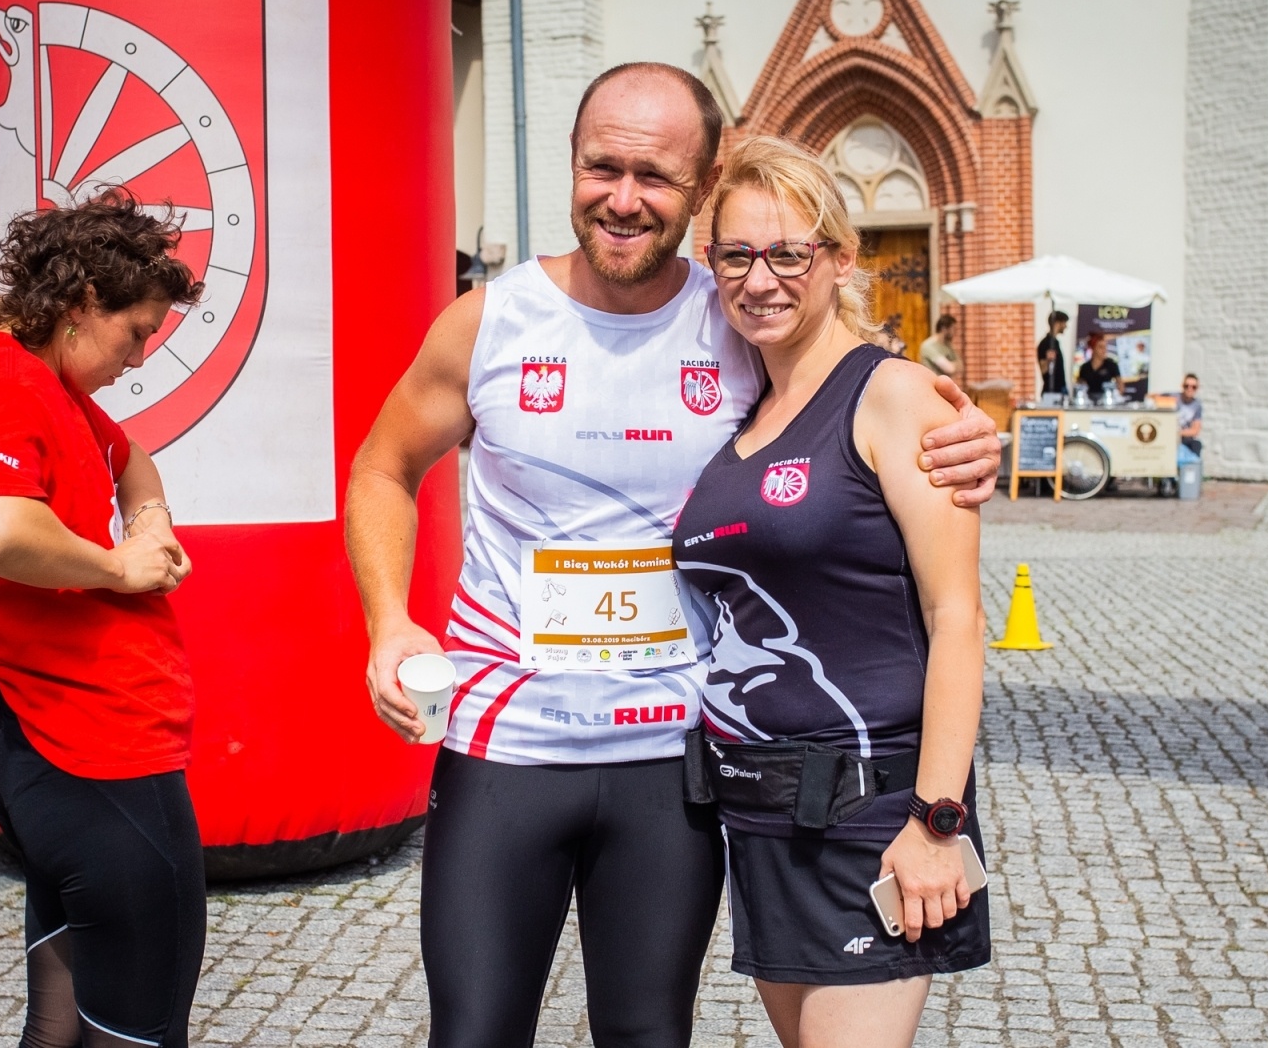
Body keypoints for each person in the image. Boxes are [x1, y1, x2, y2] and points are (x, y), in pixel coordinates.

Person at [344, 63, 1002, 1048]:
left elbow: (847, 396)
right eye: (599, 167)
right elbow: (381, 468)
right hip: (505, 747)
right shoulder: (489, 323)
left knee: (648, 1034)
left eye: (653, 176)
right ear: (569, 166)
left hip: (676, 764)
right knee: (472, 1032)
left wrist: (966, 435)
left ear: (697, 190)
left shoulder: (736, 318)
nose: (621, 197)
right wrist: (390, 620)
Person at [673, 135, 988, 1048]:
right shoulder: (742, 409)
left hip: (875, 814)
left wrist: (936, 821)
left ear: (840, 259)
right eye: (736, 254)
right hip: (764, 819)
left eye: (787, 253)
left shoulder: (893, 397)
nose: (759, 278)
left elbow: (957, 619)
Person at [0, 192, 205, 1048]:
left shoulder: (42, 382)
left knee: (57, 1025)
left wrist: (149, 521)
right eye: (137, 331)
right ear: (82, 305)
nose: (141, 354)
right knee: (140, 1029)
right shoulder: (6, 382)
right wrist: (118, 566)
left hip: (53, 750)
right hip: (96, 754)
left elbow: (135, 459)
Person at [1076, 330, 1121, 402]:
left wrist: (1116, 397)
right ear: (1093, 348)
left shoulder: (1111, 365)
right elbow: (1080, 385)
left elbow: (1120, 385)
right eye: (1101, 347)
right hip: (1089, 402)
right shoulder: (1085, 367)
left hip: (1106, 400)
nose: (1104, 350)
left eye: (1105, 347)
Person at [918, 312, 962, 377]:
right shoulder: (929, 346)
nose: (955, 333)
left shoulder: (947, 345)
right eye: (953, 329)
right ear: (944, 329)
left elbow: (961, 366)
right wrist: (955, 365)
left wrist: (954, 365)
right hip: (933, 385)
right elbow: (950, 369)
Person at [1037, 310, 1068, 397]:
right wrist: (1048, 360)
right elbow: (1043, 369)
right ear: (1057, 323)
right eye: (1064, 323)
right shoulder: (1046, 344)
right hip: (1052, 391)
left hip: (1060, 389)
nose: (1066, 326)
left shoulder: (1055, 342)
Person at [1179, 373, 1203, 456]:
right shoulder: (1172, 397)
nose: (1190, 389)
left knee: (1197, 445)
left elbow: (1195, 430)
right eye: (1187, 386)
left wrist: (1178, 432)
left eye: (1193, 387)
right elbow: (1152, 397)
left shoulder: (1197, 405)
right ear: (1182, 386)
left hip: (1185, 438)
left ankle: (1192, 468)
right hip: (1169, 437)